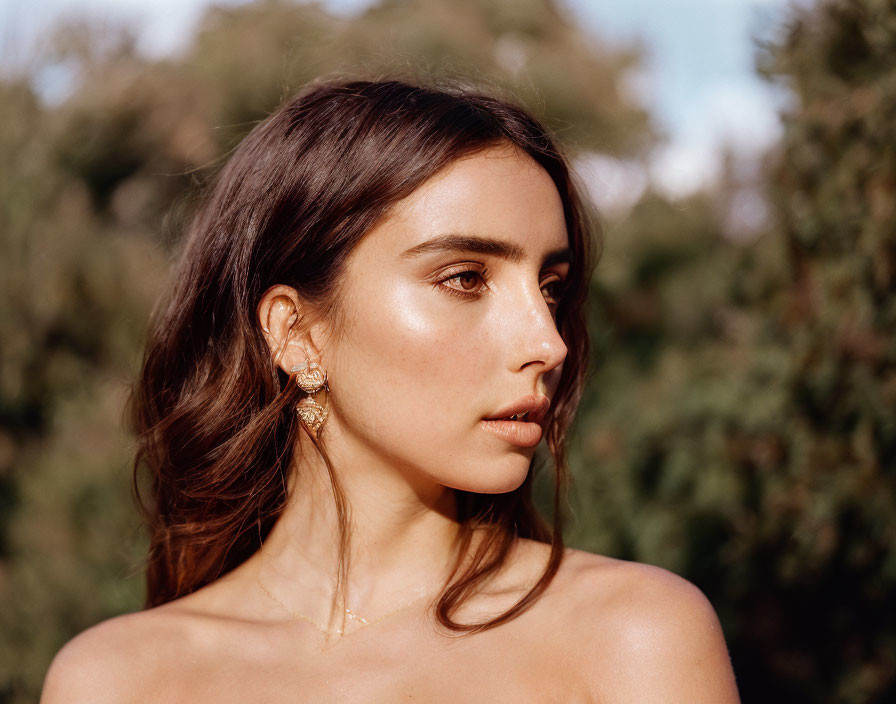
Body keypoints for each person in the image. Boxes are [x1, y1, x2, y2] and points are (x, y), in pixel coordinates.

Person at [40, 77, 740, 702]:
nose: (548, 343)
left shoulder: (633, 638)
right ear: (295, 332)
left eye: (550, 288)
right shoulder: (118, 679)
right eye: (465, 278)